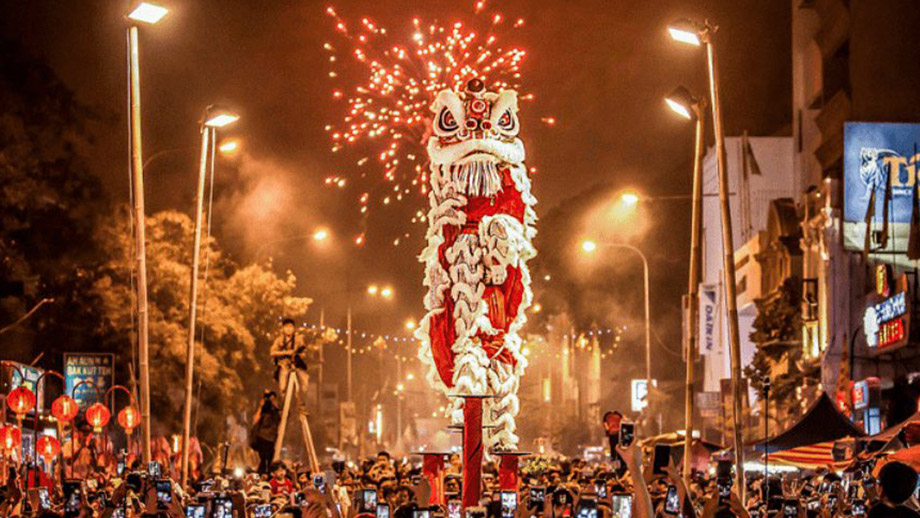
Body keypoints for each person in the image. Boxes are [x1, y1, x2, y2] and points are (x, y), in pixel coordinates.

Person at [270, 317, 314, 417]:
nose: (288, 329)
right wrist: (286, 353)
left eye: (290, 327)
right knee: (282, 387)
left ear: (294, 328)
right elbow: (272, 352)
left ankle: (302, 407)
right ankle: (282, 408)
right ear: (283, 329)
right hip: (284, 364)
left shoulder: (298, 339)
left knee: (304, 383)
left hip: (296, 365)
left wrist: (298, 354)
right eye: (286, 327)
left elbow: (304, 351)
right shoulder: (279, 340)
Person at [251, 390, 281, 475]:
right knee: (264, 459)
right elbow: (255, 420)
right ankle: (262, 475)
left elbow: (281, 418)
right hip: (263, 438)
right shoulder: (264, 413)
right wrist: (261, 406)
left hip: (270, 439)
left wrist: (274, 403)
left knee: (269, 458)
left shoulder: (275, 413)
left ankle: (266, 474)